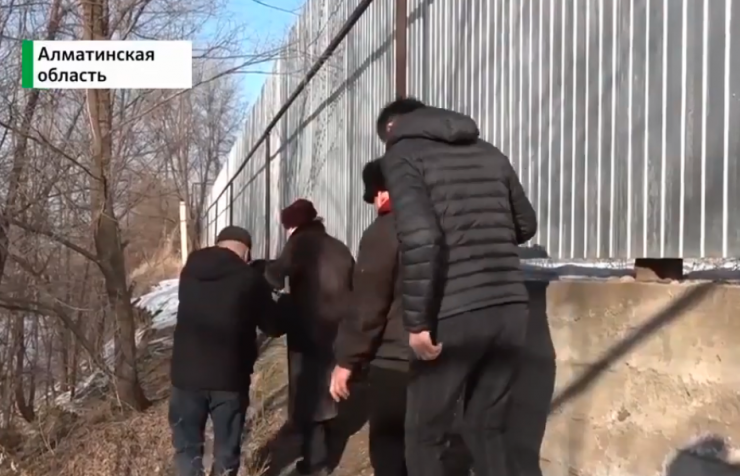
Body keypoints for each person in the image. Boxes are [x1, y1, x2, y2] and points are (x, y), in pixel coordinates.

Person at [375, 98, 538, 476]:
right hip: (510, 306)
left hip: (453, 312)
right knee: (488, 428)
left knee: (424, 436)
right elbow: (526, 224)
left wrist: (417, 324)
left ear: (391, 128)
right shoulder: (489, 151)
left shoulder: (402, 155)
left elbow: (421, 237)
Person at [169, 225, 280, 476]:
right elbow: (273, 326)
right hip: (229, 379)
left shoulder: (190, 270)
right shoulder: (249, 279)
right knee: (226, 452)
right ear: (246, 253)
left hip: (186, 377)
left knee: (187, 451)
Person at [265, 198, 355, 476]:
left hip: (309, 329)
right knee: (328, 387)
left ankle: (315, 464)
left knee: (309, 396)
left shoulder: (299, 243)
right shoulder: (338, 246)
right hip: (340, 330)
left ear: (293, 225)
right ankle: (327, 441)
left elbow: (275, 276)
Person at [330, 158, 408, 476]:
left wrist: (346, 360)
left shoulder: (384, 233)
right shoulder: (442, 224)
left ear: (381, 192)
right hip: (443, 358)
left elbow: (368, 306)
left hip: (395, 360)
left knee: (390, 454)